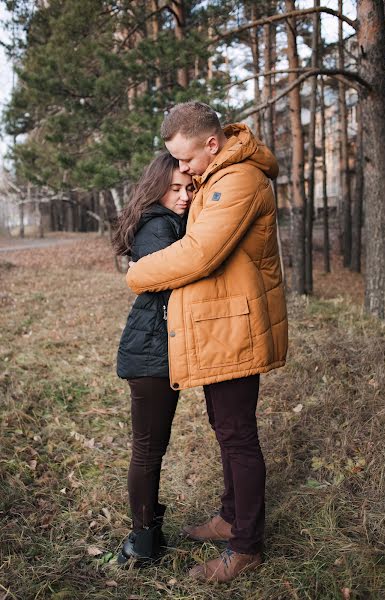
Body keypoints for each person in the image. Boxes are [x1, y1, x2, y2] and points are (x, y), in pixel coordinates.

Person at [126, 102, 288, 583]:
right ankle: (230, 516)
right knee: (226, 427)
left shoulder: (238, 180)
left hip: (236, 325)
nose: (184, 170)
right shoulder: (218, 176)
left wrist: (136, 274)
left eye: (188, 159)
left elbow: (200, 254)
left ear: (211, 145)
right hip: (222, 323)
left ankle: (246, 546)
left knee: (239, 436)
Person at [112, 151, 194, 565]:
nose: (183, 196)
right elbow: (173, 276)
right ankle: (142, 542)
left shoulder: (171, 221)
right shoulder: (157, 225)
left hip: (158, 350)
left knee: (152, 447)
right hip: (149, 354)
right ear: (157, 186)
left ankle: (149, 532)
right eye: (174, 188)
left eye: (188, 188)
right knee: (147, 449)